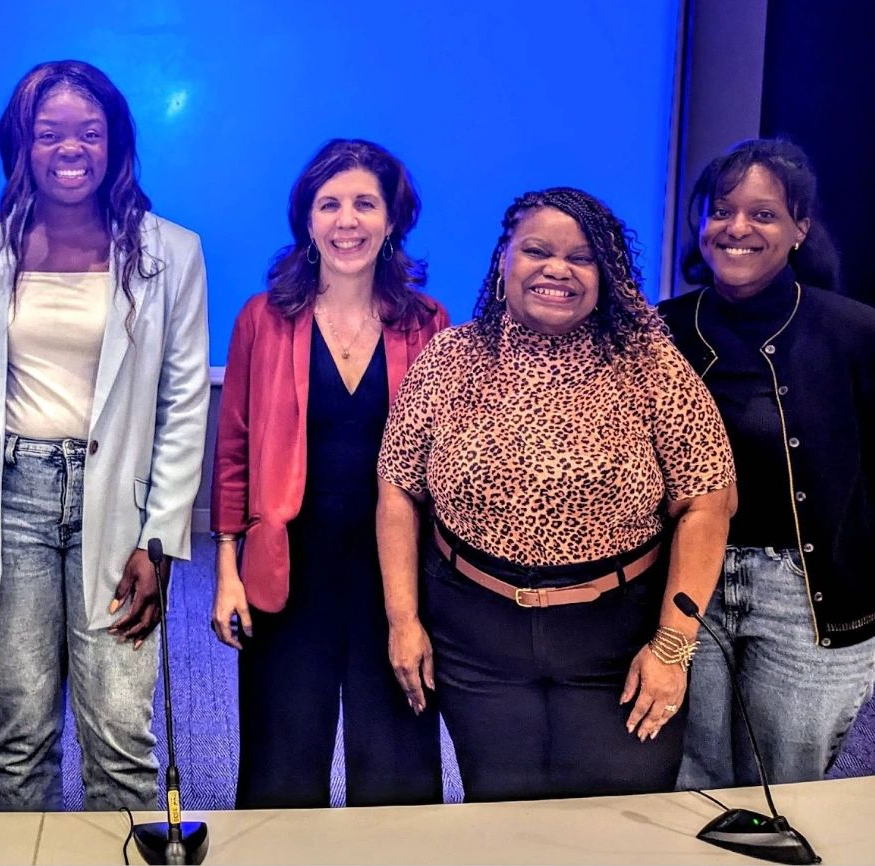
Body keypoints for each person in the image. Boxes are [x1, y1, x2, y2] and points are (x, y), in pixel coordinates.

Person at [377, 187, 737, 800]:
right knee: (504, 806)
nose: (557, 269)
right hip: (475, 635)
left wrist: (673, 647)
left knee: (616, 815)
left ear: (607, 275)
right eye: (537, 251)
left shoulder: (650, 363)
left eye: (581, 257)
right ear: (504, 260)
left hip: (618, 640)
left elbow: (707, 502)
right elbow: (398, 490)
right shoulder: (449, 359)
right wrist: (403, 620)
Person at [0, 60, 209, 812]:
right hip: (9, 504)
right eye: (48, 133)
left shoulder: (171, 251)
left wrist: (159, 539)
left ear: (114, 142)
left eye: (89, 132)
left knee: (121, 739)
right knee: (21, 736)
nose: (70, 149)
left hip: (117, 508)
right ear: (20, 145)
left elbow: (184, 402)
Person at [211, 139, 448, 809]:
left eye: (365, 204)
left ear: (393, 219)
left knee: (399, 773)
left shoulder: (427, 324)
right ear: (307, 220)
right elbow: (233, 454)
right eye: (330, 204)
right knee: (280, 774)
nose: (347, 221)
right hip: (287, 573)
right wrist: (227, 572)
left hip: (396, 579)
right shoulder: (263, 319)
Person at [661, 138, 875, 788]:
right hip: (687, 587)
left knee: (784, 792)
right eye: (721, 211)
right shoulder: (662, 331)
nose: (737, 228)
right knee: (688, 785)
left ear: (799, 228)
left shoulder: (855, 332)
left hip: (806, 597)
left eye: (763, 214)